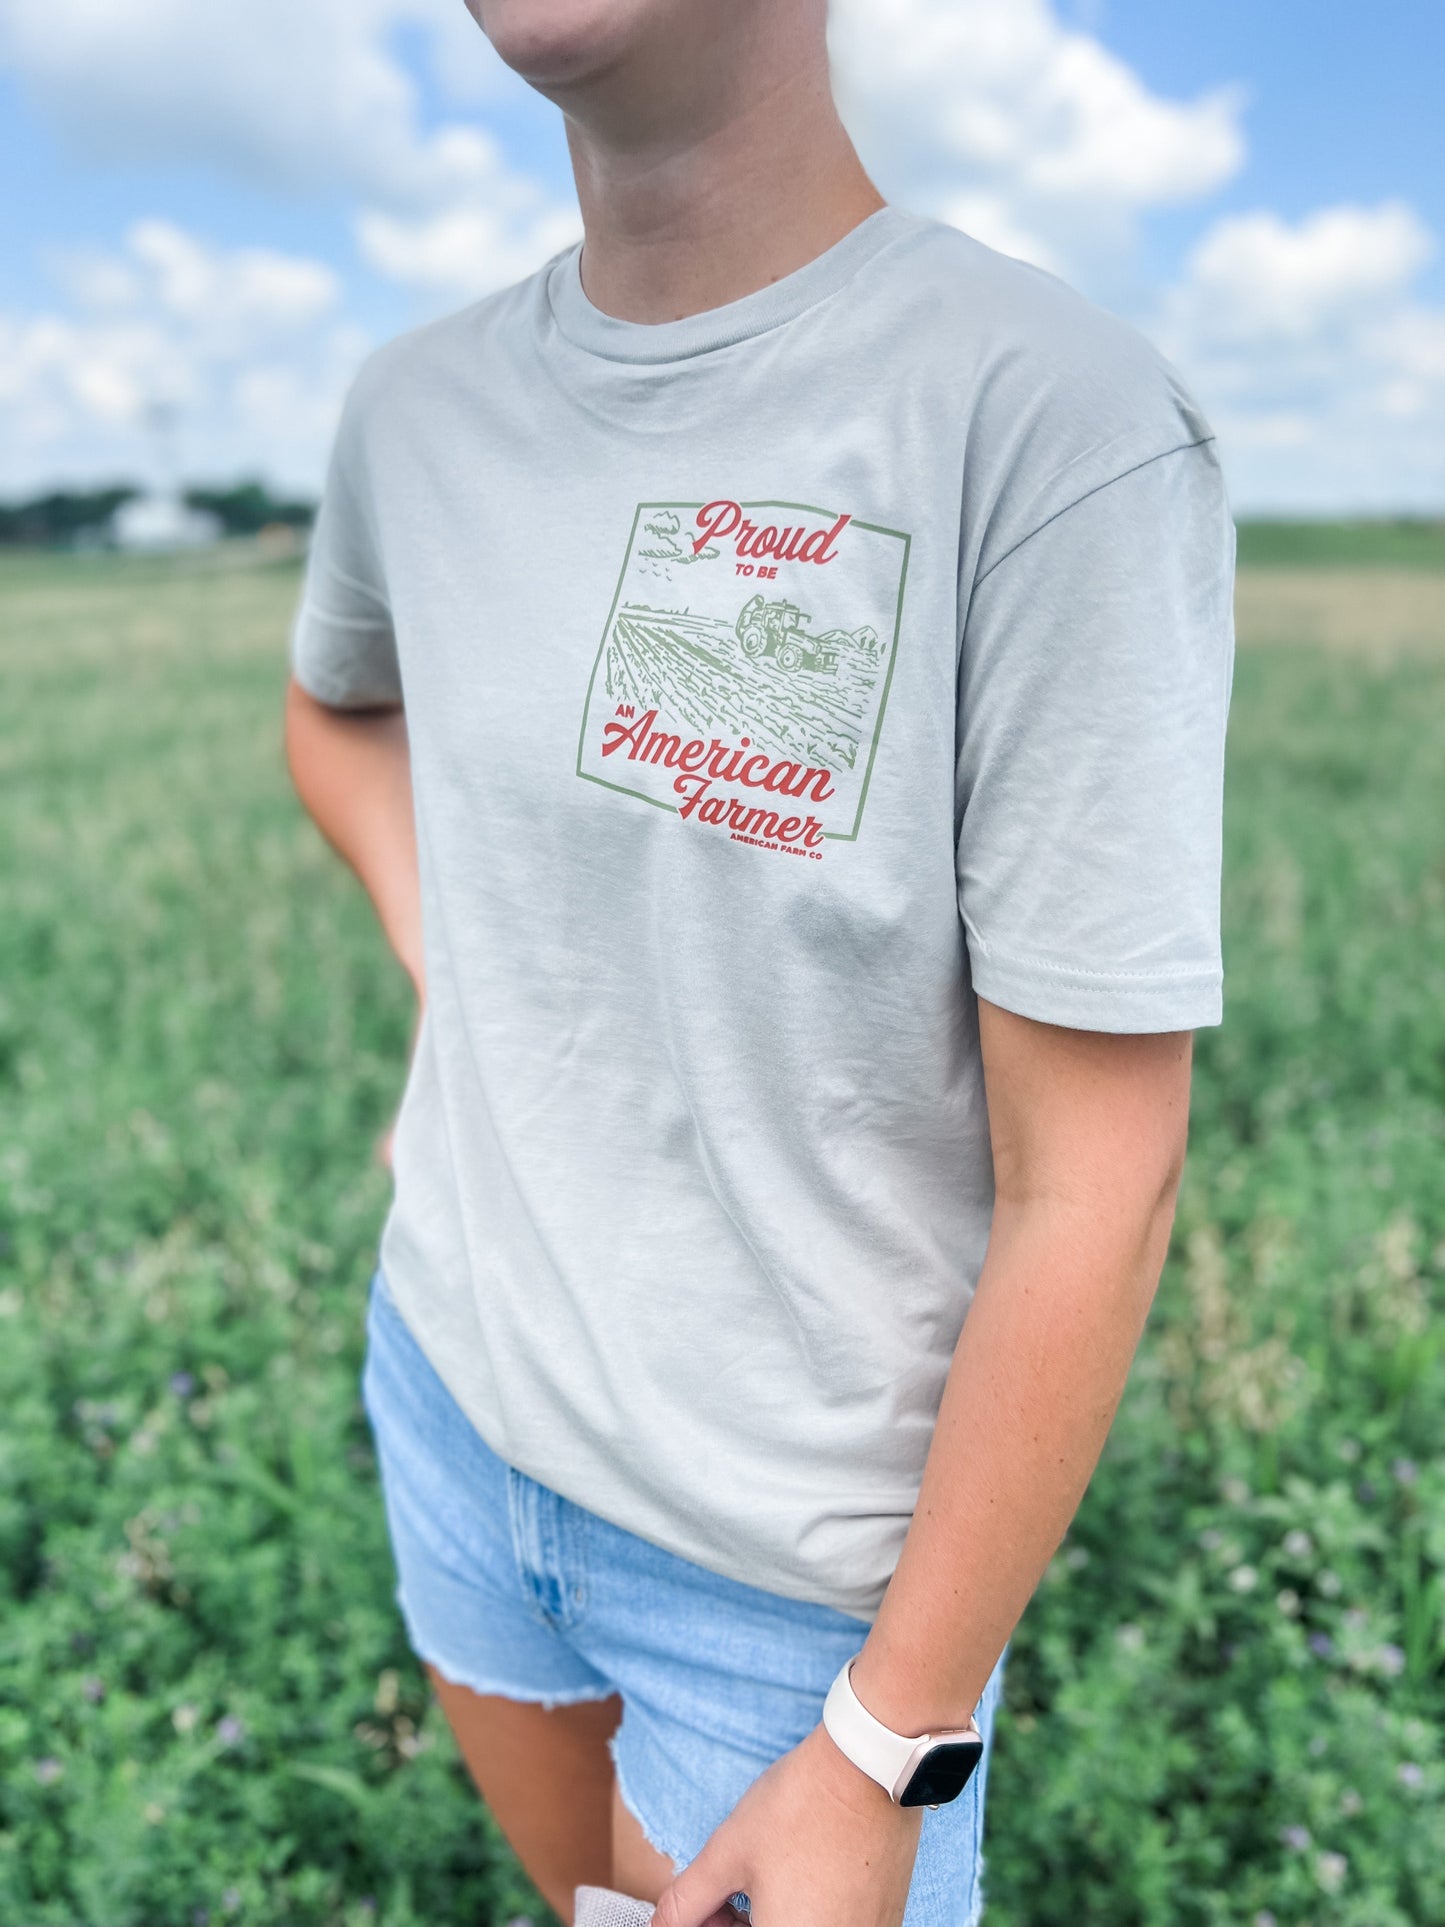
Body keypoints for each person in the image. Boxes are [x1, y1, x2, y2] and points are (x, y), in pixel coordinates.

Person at [283, 2, 1237, 1923]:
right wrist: (455, 983)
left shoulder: (1049, 419)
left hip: (784, 1587)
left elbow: (1099, 1177)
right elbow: (337, 715)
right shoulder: (415, 410)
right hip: (459, 1404)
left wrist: (888, 1738)